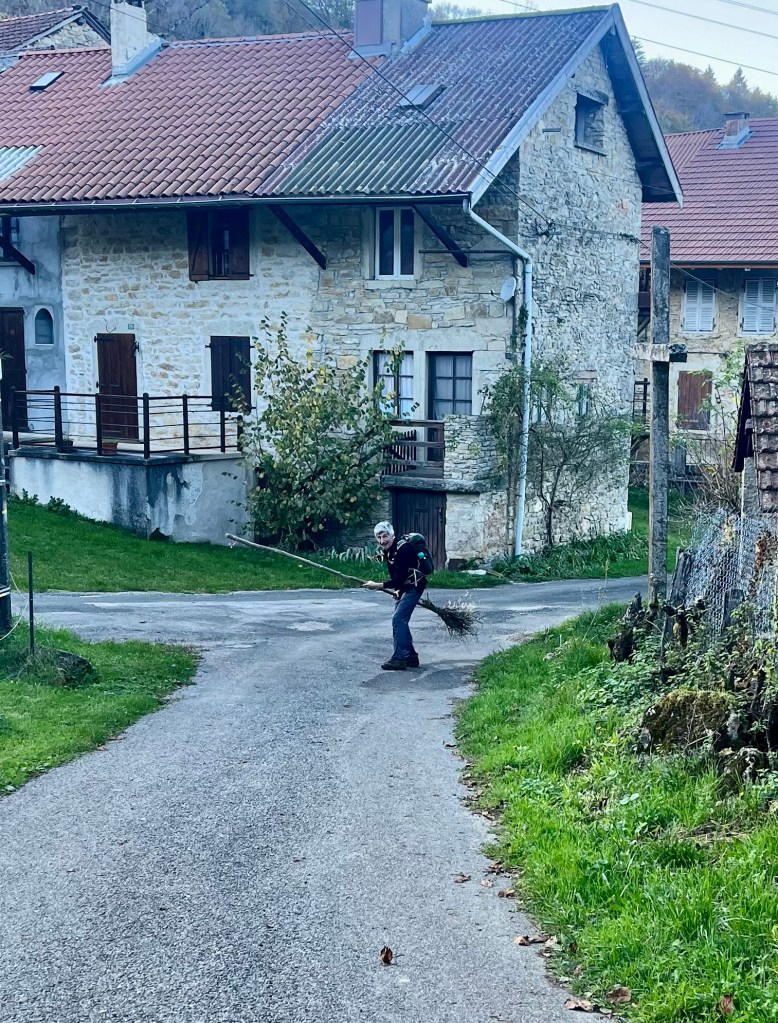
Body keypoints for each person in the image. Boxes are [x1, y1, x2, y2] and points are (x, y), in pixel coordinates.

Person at [363, 521, 426, 670]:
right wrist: (398, 589)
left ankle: (399, 658)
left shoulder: (403, 549)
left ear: (392, 535)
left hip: (415, 586)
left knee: (398, 619)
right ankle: (411, 658)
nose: (382, 541)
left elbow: (399, 578)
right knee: (400, 620)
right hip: (406, 586)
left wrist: (377, 585)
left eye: (385, 536)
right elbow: (396, 575)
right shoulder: (389, 551)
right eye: (379, 537)